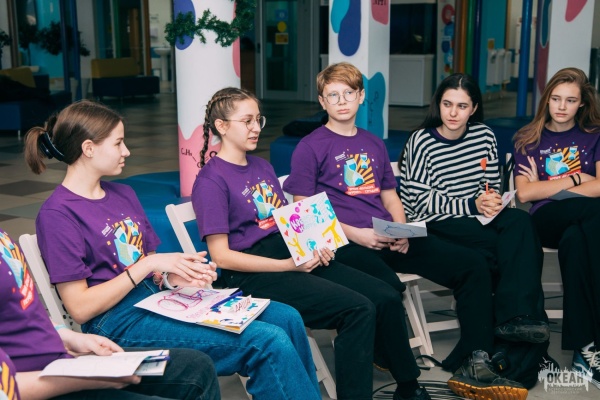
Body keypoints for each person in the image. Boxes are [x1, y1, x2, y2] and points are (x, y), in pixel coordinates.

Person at [23, 100, 320, 400]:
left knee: (286, 317)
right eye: (118, 143)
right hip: (117, 322)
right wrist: (147, 265)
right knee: (266, 341)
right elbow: (80, 308)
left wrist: (176, 277)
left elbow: (153, 270)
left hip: (161, 300)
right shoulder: (57, 214)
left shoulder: (123, 193)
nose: (127, 151)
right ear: (88, 148)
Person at [283, 63, 536, 400]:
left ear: (361, 97)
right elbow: (304, 210)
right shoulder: (310, 146)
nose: (342, 101)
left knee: (472, 265)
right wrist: (356, 234)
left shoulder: (373, 143)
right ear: (322, 101)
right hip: (344, 243)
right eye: (333, 95)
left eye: (348, 93)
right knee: (387, 289)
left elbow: (390, 196)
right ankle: (398, 368)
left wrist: (403, 230)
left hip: (388, 235)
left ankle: (475, 359)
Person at [192, 87, 429, 400]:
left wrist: (316, 243)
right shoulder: (211, 180)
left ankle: (409, 387)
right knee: (358, 309)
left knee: (384, 295)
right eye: (247, 121)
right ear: (222, 126)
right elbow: (221, 257)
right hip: (255, 273)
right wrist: (287, 265)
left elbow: (288, 221)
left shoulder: (261, 166)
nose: (255, 128)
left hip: (292, 254)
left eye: (258, 120)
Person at [0, 228, 220, 400]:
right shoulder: (58, 214)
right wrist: (86, 378)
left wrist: (67, 336)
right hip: (39, 382)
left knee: (196, 367)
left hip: (58, 361)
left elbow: (20, 311)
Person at [513, 67, 600, 389]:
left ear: (582, 103)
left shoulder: (594, 135)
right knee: (595, 211)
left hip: (582, 224)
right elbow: (525, 194)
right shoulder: (529, 138)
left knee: (576, 242)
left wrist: (548, 187)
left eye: (571, 100)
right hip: (546, 219)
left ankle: (584, 349)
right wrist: (577, 178)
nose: (562, 106)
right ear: (546, 99)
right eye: (556, 98)